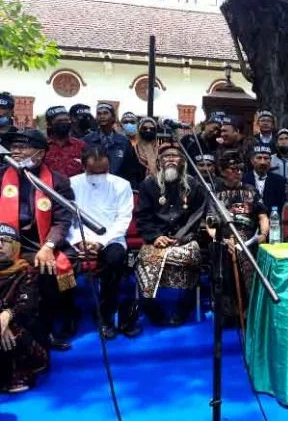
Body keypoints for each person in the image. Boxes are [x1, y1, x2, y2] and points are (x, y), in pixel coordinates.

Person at [1, 129, 75, 351]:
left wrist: (49, 246)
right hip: (5, 240)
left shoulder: (57, 182)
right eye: (14, 147)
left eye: (23, 147)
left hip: (39, 241)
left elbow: (63, 220)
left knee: (50, 267)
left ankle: (46, 329)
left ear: (40, 153)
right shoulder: (1, 175)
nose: (15, 151)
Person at [67, 147, 139, 339]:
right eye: (94, 172)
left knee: (115, 259)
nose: (99, 176)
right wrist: (79, 242)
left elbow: (123, 220)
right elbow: (67, 220)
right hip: (78, 239)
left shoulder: (121, 185)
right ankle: (68, 313)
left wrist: (100, 243)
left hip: (111, 238)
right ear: (83, 167)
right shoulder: (71, 184)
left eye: (103, 172)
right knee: (62, 262)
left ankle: (106, 315)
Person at [135, 140, 206, 326]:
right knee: (147, 259)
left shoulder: (193, 185)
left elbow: (197, 216)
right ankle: (151, 308)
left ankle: (184, 309)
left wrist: (183, 237)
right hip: (155, 238)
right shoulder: (149, 185)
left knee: (191, 258)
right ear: (159, 161)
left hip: (185, 238)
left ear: (182, 161)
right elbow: (142, 217)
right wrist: (155, 236)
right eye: (166, 156)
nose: (171, 159)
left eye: (175, 156)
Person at [208, 153, 269, 300]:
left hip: (249, 238)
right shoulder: (215, 193)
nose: (239, 172)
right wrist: (223, 240)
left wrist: (263, 234)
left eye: (241, 169)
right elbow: (210, 224)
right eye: (233, 169)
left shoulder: (251, 190)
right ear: (223, 171)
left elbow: (263, 216)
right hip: (223, 239)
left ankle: (251, 301)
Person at [0, 223, 47, 393]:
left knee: (17, 323)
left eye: (5, 240)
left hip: (25, 339)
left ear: (15, 246)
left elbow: (28, 305)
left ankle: (17, 373)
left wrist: (8, 315)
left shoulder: (27, 273)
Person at [83, 103, 141, 187]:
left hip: (117, 187)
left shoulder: (124, 142)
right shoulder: (87, 140)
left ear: (113, 117)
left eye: (105, 113)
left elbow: (131, 170)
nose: (102, 116)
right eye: (99, 114)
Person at [43, 106, 86, 178]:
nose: (64, 123)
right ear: (49, 125)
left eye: (66, 120)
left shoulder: (80, 145)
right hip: (47, 184)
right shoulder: (42, 146)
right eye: (59, 121)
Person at [243, 145, 286, 213]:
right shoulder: (243, 179)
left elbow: (282, 206)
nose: (262, 162)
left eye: (266, 158)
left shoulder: (280, 181)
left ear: (270, 161)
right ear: (252, 161)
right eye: (259, 158)